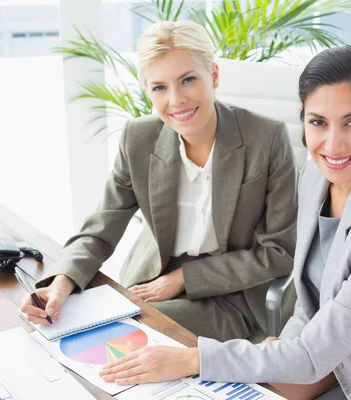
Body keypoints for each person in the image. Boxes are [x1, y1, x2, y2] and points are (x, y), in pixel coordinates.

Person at [98, 46, 351, 400]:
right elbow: (309, 305)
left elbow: (315, 351)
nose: (333, 144)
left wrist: (197, 356)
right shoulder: (316, 175)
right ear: (303, 120)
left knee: (197, 370)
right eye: (318, 122)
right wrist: (286, 345)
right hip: (336, 362)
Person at [19, 20, 298, 342]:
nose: (176, 100)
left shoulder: (266, 138)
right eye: (159, 87)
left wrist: (184, 278)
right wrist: (61, 283)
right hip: (152, 280)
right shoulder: (140, 139)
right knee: (69, 324)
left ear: (215, 75)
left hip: (233, 296)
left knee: (117, 335)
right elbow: (101, 226)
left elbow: (278, 251)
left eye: (188, 80)